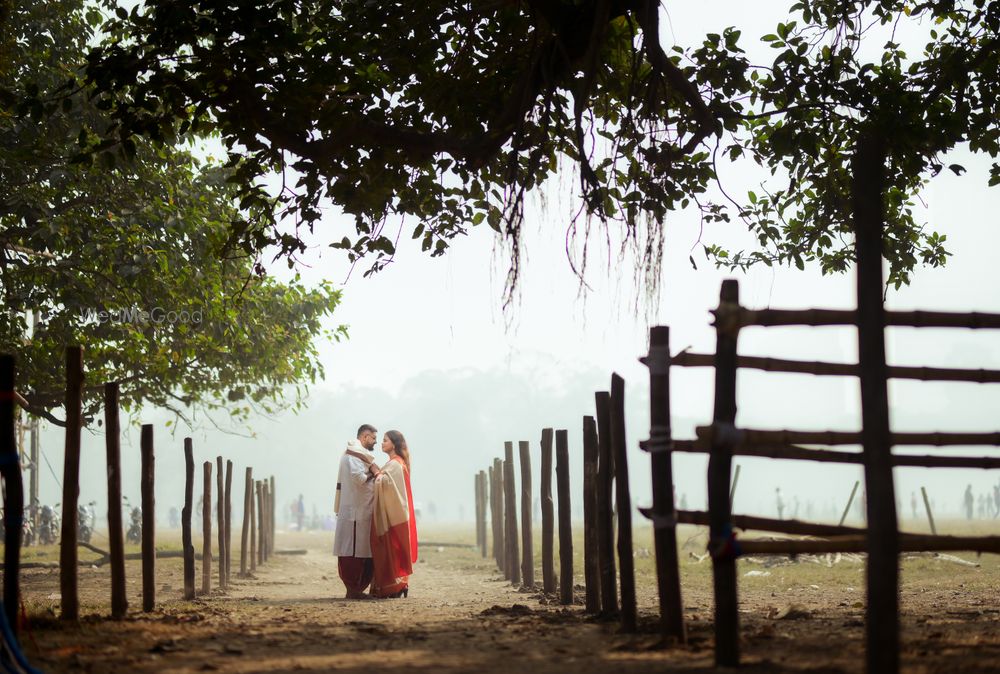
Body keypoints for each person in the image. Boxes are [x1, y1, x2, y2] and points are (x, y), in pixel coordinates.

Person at [370, 430, 418, 598]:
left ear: (394, 443)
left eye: (385, 440)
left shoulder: (396, 464)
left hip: (392, 515)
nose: (381, 443)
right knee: (391, 549)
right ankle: (398, 586)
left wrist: (376, 472)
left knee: (390, 548)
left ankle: (395, 586)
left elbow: (385, 483)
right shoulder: (394, 463)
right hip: (392, 513)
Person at [333, 424, 379, 599]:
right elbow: (359, 479)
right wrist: (373, 472)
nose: (375, 442)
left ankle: (355, 589)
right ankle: (353, 589)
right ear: (365, 437)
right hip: (355, 513)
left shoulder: (359, 455)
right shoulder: (354, 456)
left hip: (359, 511)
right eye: (373, 438)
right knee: (353, 552)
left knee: (361, 551)